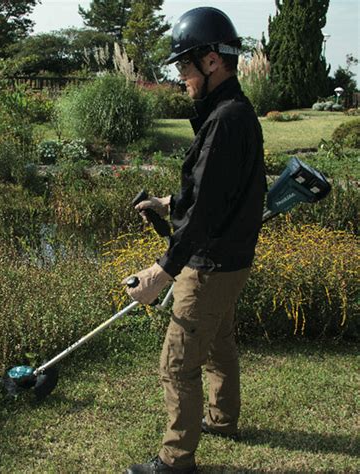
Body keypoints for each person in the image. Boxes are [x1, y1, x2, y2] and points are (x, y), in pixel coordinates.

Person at [123, 7, 267, 474]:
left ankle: (174, 460)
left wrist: (159, 272)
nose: (180, 77)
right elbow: (219, 192)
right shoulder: (233, 113)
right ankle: (222, 419)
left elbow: (206, 212)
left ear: (211, 62)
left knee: (178, 364)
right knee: (220, 343)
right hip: (232, 261)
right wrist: (169, 203)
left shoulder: (225, 120)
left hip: (209, 266)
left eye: (184, 65)